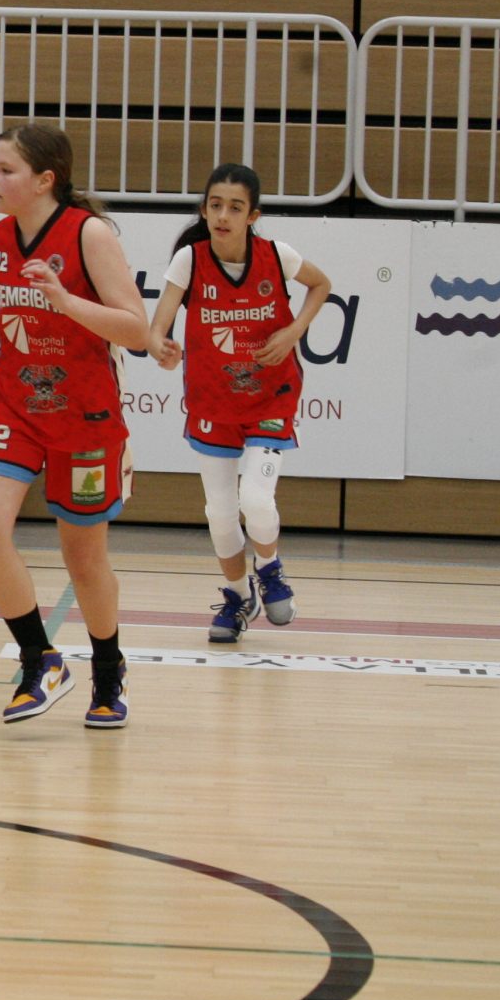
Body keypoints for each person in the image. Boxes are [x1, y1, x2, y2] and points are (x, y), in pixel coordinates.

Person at [0, 123, 150, 729]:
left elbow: (136, 330)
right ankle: (41, 658)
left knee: (83, 560)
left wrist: (65, 301)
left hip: (84, 416)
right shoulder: (0, 236)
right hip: (15, 404)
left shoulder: (89, 235)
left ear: (45, 180)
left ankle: (108, 673)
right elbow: (17, 296)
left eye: (4, 169)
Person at [147, 162, 333, 641]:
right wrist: (161, 346)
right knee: (220, 513)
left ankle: (269, 568)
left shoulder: (277, 255)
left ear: (253, 215)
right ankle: (238, 596)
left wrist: (293, 331)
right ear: (204, 209)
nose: (223, 215)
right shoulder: (190, 260)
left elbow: (321, 284)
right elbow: (158, 326)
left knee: (256, 497)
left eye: (235, 207)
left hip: (270, 396)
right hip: (213, 401)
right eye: (215, 205)